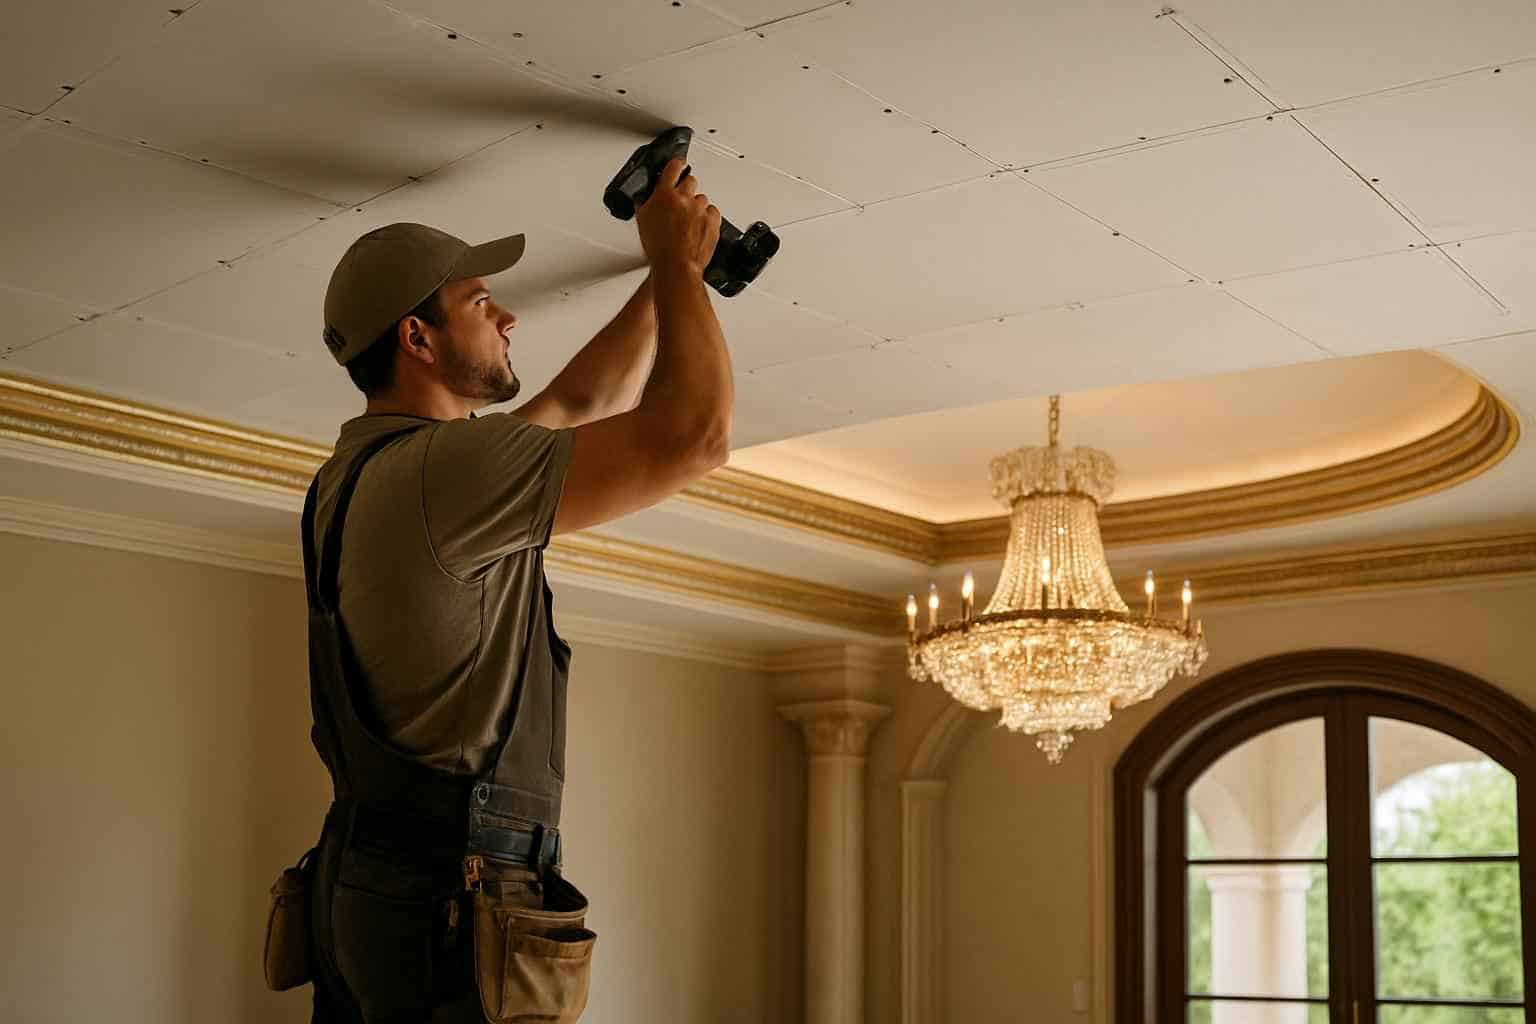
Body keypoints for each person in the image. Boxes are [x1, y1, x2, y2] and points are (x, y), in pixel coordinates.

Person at [301, 157, 730, 1023]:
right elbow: (695, 437)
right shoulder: (443, 474)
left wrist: (663, 274)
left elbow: (576, 400)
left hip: (380, 890)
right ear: (416, 340)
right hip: (450, 910)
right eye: (479, 302)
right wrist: (681, 269)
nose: (509, 317)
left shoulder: (363, 471)